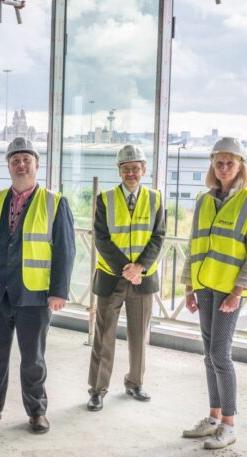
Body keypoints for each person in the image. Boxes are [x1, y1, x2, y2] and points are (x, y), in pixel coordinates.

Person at [0, 137, 75, 434]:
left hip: (34, 295)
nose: (21, 164)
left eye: (26, 159)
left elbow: (65, 250)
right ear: (9, 166)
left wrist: (59, 291)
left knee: (33, 359)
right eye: (15, 160)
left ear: (37, 164)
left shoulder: (54, 202)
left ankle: (37, 411)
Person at [180, 137, 247, 449]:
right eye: (219, 162)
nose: (224, 168)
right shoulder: (204, 201)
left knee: (220, 353)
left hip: (230, 289)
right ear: (212, 166)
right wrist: (188, 286)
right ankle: (214, 418)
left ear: (241, 166)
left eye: (230, 162)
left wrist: (239, 290)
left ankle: (229, 424)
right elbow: (194, 245)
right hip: (204, 285)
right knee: (208, 354)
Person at [86, 145, 165, 411]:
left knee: (139, 336)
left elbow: (158, 236)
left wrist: (139, 267)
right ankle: (97, 390)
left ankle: (135, 383)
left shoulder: (155, 198)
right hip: (112, 277)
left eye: (135, 168)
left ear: (144, 169)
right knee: (104, 336)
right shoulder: (105, 199)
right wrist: (126, 268)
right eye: (126, 169)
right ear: (119, 171)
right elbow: (101, 238)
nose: (131, 173)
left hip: (143, 279)